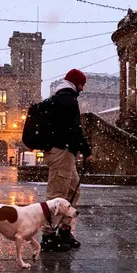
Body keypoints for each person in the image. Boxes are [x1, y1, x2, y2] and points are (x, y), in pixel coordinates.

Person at [41, 68, 92, 252]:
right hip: (61, 152)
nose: (83, 88)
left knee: (73, 191)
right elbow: (74, 129)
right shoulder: (67, 100)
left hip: (66, 152)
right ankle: (48, 235)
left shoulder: (62, 99)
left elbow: (72, 128)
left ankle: (64, 230)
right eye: (81, 84)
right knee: (57, 195)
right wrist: (87, 150)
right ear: (75, 83)